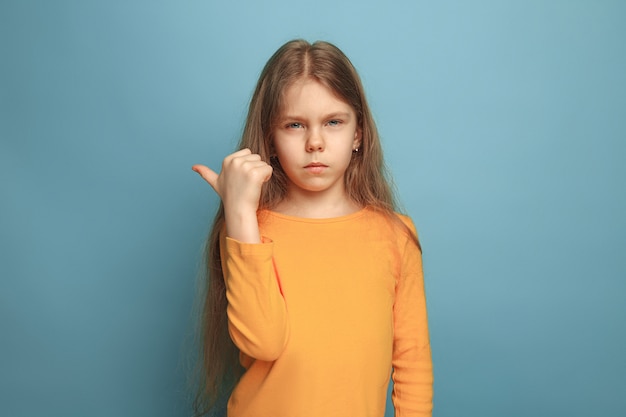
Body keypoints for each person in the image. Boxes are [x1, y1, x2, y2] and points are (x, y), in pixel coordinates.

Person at [191, 39, 432, 417]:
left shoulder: (395, 235)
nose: (315, 142)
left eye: (333, 122)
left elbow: (412, 363)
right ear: (270, 137)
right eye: (294, 125)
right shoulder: (246, 230)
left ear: (358, 134)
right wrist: (238, 211)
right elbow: (262, 343)